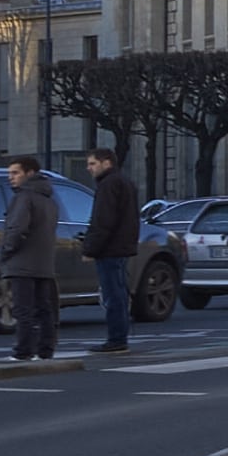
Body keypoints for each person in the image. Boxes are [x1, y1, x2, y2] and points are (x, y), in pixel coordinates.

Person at [0, 157, 66, 362]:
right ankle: (46, 349)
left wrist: (6, 250)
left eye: (15, 173)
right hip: (43, 262)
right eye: (10, 174)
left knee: (22, 309)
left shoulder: (24, 198)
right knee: (44, 308)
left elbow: (17, 227)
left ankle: (23, 351)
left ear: (30, 173)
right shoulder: (49, 200)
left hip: (22, 262)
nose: (11, 178)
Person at [80, 148, 142, 352]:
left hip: (110, 248)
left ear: (106, 163)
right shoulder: (124, 182)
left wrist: (90, 248)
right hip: (121, 246)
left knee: (112, 295)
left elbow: (103, 221)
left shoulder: (108, 185)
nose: (89, 168)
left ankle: (116, 338)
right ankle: (119, 336)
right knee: (119, 293)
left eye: (92, 164)